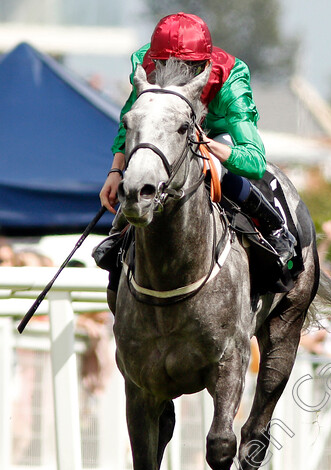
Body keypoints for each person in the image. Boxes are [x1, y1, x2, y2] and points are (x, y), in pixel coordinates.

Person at [95, 12, 295, 294]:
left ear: (203, 65)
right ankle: (119, 236)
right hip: (168, 129)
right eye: (164, 65)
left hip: (214, 134)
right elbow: (132, 119)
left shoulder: (231, 78)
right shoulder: (144, 63)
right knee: (147, 161)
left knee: (210, 163)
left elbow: (255, 162)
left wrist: (207, 144)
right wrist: (116, 171)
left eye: (184, 67)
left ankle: (273, 227)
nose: (171, 73)